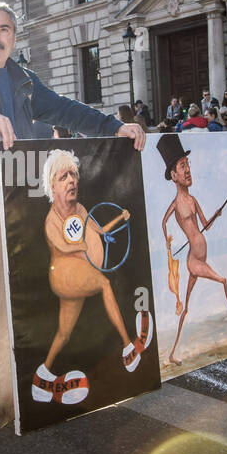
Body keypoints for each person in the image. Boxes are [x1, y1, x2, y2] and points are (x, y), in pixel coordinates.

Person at [0, 2, 146, 152]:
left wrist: (115, 127)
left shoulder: (26, 80)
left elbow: (66, 110)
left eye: (4, 30)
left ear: (14, 38)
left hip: (19, 188)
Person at [35, 149, 149, 403]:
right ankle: (127, 346)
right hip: (64, 275)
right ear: (52, 185)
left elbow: (97, 230)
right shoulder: (51, 219)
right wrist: (79, 247)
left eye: (73, 175)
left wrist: (120, 219)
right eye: (64, 176)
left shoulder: (81, 208)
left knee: (64, 332)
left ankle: (42, 376)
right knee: (104, 283)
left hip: (78, 274)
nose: (72, 181)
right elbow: (62, 246)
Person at [159, 134, 227, 366]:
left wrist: (215, 216)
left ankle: (171, 354)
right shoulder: (177, 204)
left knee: (186, 308)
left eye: (188, 165)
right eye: (182, 166)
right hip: (194, 260)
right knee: (224, 280)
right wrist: (167, 242)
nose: (187, 170)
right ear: (173, 175)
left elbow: (204, 226)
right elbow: (164, 221)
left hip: (199, 254)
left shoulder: (193, 200)